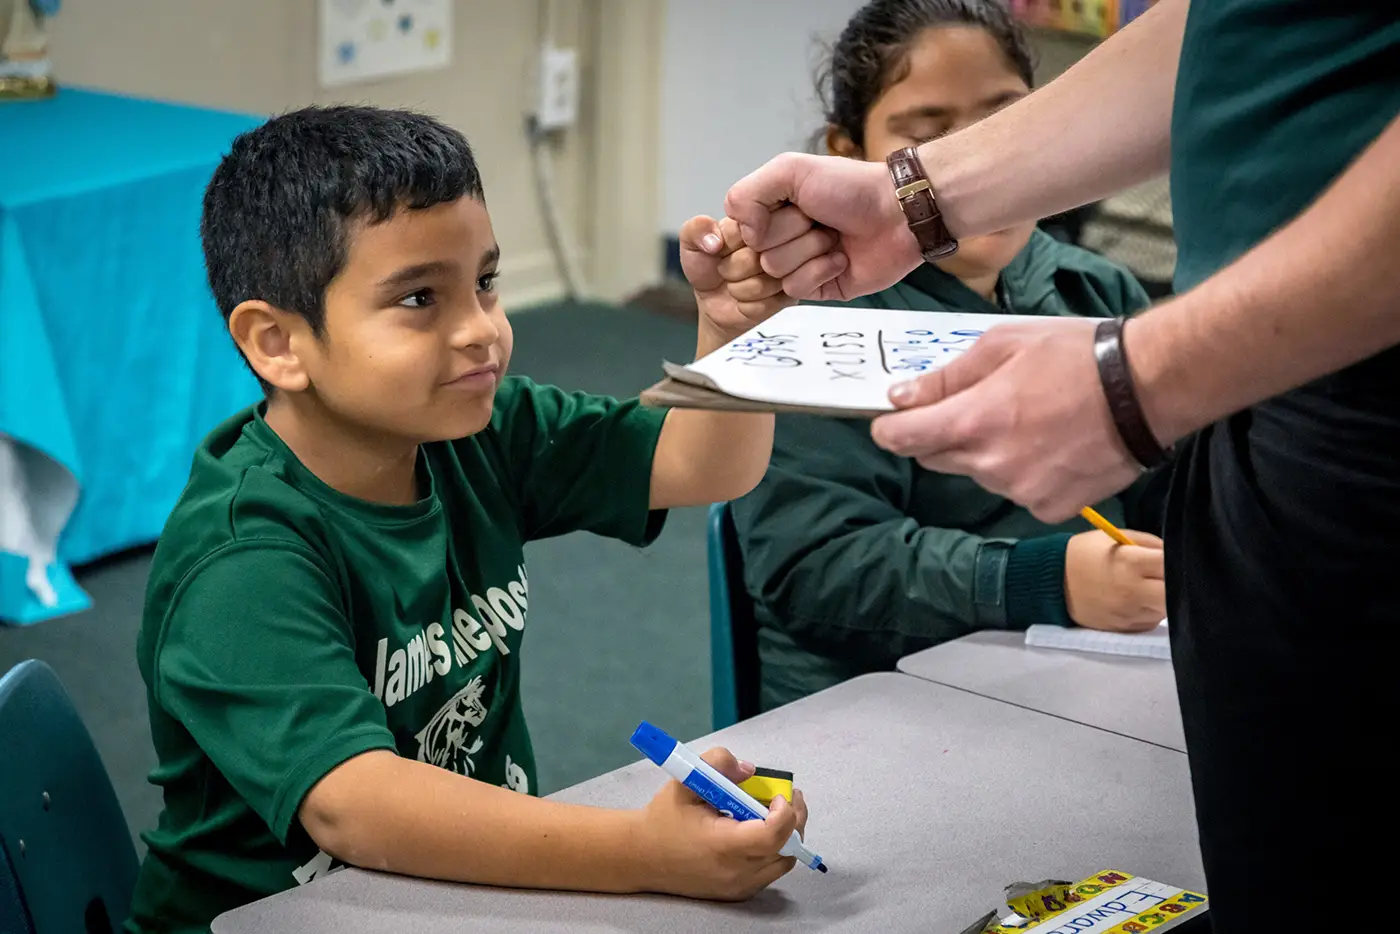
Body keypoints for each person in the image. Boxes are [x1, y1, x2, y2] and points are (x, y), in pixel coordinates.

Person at [723, 0, 1400, 928]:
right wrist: (916, 200)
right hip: (912, 726)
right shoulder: (830, 335)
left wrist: (1147, 386)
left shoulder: (1096, 295)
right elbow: (1222, 35)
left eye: (999, 113)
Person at [125, 105, 831, 934]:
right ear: (278, 344)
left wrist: (736, 334)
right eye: (420, 297)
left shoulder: (474, 430)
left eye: (486, 282)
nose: (483, 331)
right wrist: (646, 852)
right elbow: (359, 807)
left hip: (450, 893)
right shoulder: (241, 557)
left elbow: (702, 461)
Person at [730, 0, 1168, 713]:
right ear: (847, 157)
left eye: (1005, 122)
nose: (978, 163)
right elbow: (816, 567)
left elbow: (1176, 496)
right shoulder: (815, 328)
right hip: (880, 713)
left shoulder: (1097, 290)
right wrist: (1042, 580)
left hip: (1081, 681)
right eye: (927, 136)